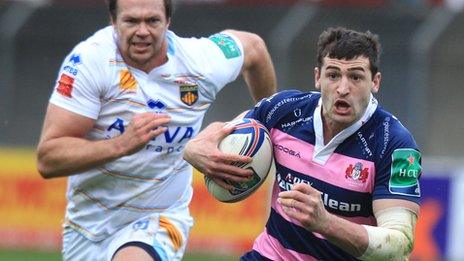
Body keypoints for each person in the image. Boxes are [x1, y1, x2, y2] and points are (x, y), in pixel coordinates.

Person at [36, 0, 277, 260]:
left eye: (152, 21)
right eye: (131, 21)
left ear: (168, 21)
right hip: (87, 226)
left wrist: (270, 128)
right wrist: (121, 144)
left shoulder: (198, 62)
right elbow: (48, 159)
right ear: (113, 20)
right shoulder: (89, 62)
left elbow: (254, 49)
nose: (142, 31)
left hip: (160, 217)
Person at [183, 27, 422, 260]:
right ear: (318, 77)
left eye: (356, 77)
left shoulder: (396, 145)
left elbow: (399, 244)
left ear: (375, 82)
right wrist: (195, 147)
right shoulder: (284, 110)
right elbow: (228, 129)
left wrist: (325, 222)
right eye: (333, 75)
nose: (343, 88)